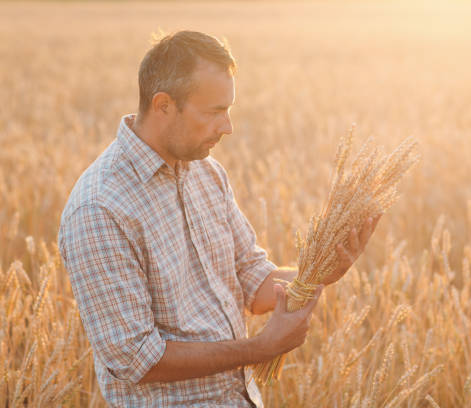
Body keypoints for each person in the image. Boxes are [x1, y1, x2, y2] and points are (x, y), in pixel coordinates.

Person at [58, 30, 379, 407]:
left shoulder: (206, 173)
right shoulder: (99, 209)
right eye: (214, 112)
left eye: (228, 110)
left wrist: (322, 270)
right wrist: (259, 348)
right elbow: (135, 358)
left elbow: (252, 279)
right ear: (163, 105)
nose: (228, 127)